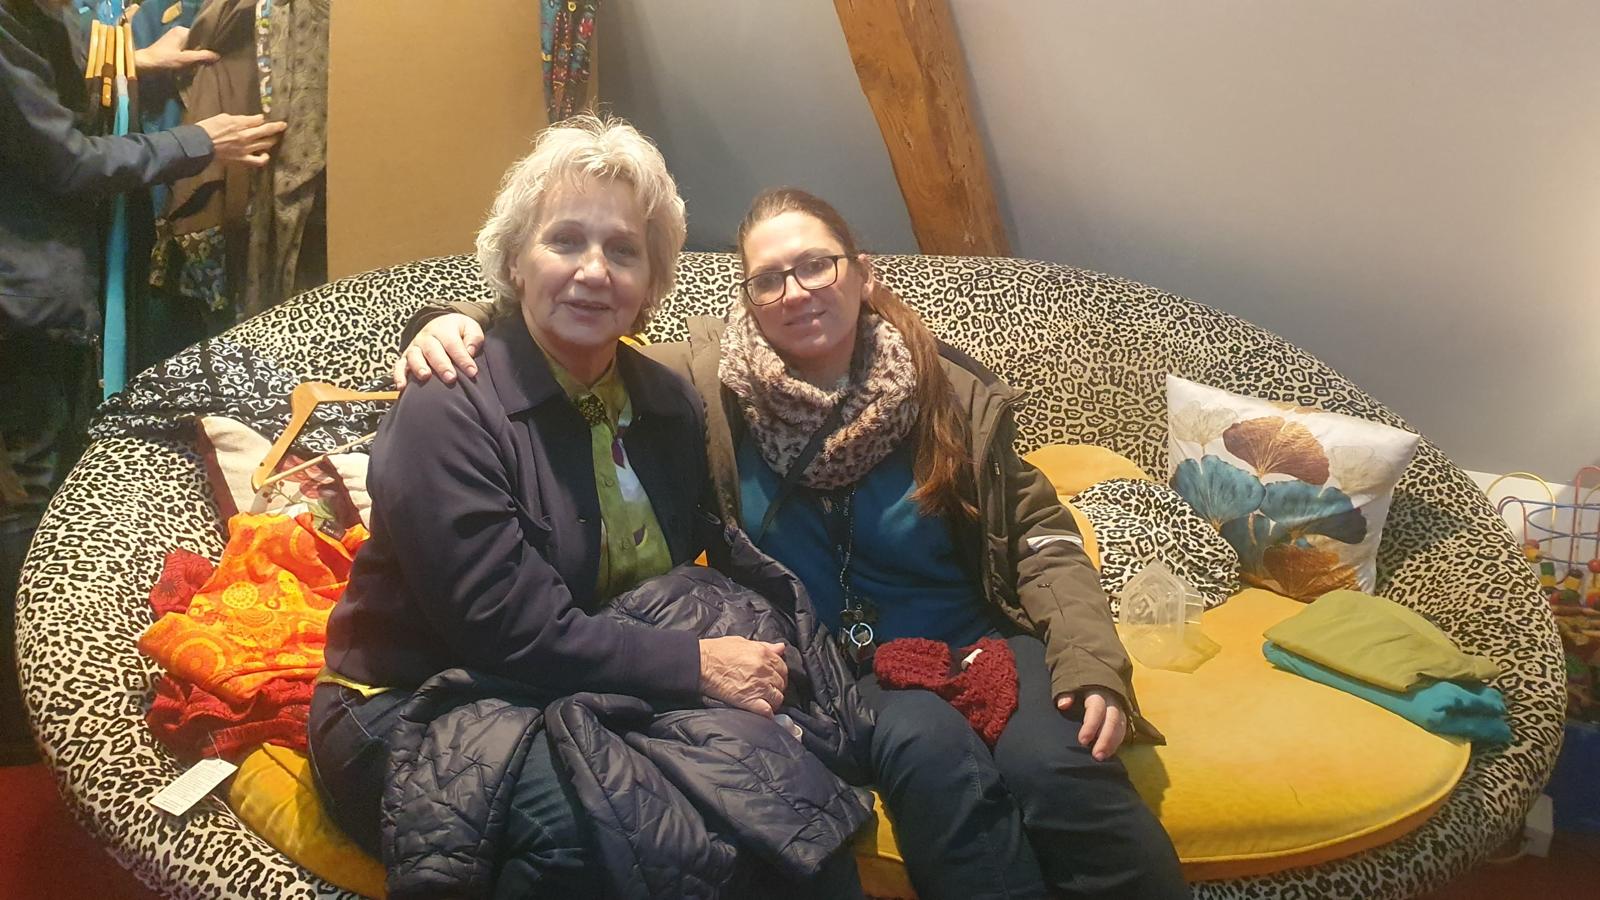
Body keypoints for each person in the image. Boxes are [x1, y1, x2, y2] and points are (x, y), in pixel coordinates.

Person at [400, 188, 1191, 899]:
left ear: (862, 273)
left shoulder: (947, 392)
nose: (797, 291)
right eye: (769, 278)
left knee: (1060, 768)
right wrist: (452, 320)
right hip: (845, 671)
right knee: (933, 763)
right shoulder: (708, 389)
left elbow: (1042, 540)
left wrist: (1091, 662)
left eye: (816, 265)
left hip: (980, 640)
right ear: (747, 300)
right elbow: (578, 329)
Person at [313, 119, 866, 897]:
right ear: (516, 261)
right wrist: (699, 665)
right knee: (610, 838)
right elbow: (505, 631)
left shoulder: (668, 401)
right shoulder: (448, 404)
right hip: (420, 700)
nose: (594, 271)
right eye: (565, 241)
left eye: (623, 251)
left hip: (584, 685)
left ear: (651, 283)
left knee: (786, 806)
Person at [0, 0, 286, 764]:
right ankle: (27, 711)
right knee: (26, 495)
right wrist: (198, 142)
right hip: (20, 299)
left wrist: (133, 59)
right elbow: (63, 157)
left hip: (36, 291)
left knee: (38, 481)